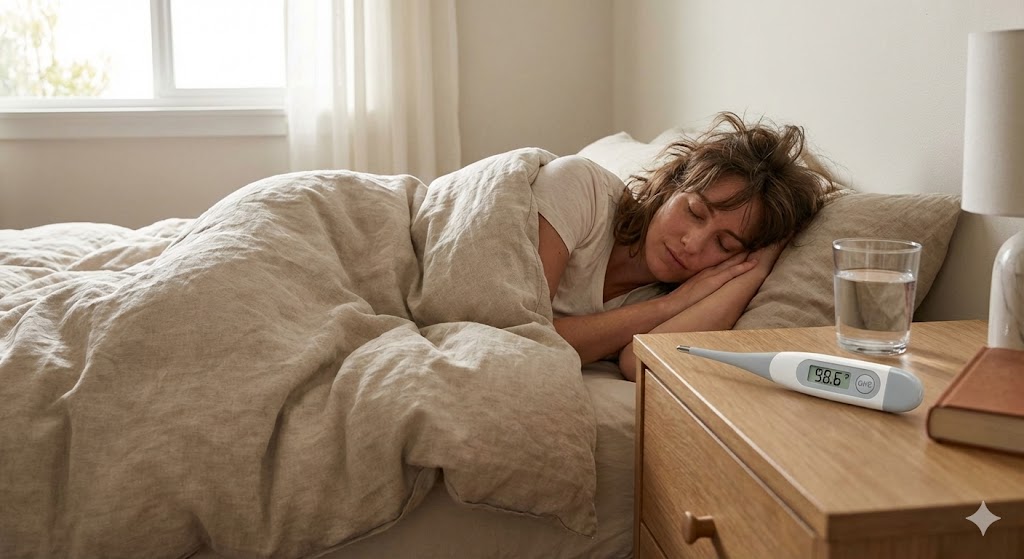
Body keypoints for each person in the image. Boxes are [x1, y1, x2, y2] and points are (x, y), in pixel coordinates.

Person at [534, 112, 836, 381]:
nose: (692, 244)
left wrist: (758, 268)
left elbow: (640, 365)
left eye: (724, 243)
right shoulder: (582, 188)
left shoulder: (666, 292)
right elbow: (528, 336)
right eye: (693, 211)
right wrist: (670, 305)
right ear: (672, 184)